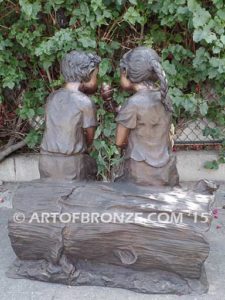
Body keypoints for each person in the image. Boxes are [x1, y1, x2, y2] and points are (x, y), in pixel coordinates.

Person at [115, 46, 179, 186]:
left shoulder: (132, 103)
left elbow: (119, 142)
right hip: (166, 172)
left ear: (125, 72)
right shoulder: (165, 98)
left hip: (140, 174)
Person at [39, 51, 101, 180]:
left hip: (45, 161)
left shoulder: (52, 97)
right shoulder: (85, 102)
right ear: (87, 74)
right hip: (72, 164)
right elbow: (90, 137)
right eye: (96, 76)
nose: (97, 80)